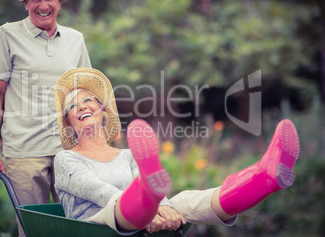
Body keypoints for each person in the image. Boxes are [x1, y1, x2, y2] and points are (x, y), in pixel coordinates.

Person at [53, 68, 300, 235]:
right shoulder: (66, 159)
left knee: (186, 201)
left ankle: (264, 176)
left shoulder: (128, 155)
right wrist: (151, 211)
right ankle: (146, 197)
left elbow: (160, 194)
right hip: (95, 225)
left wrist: (166, 206)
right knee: (114, 207)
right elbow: (98, 191)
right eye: (73, 106)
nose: (82, 106)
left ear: (103, 111)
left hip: (140, 216)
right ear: (68, 122)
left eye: (88, 101)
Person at [0, 0, 91, 235]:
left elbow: (85, 94)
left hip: (71, 152)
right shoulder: (7, 35)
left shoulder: (75, 39)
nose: (44, 5)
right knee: (35, 231)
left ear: (60, 1)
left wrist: (94, 144)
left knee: (79, 226)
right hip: (25, 152)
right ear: (26, 3)